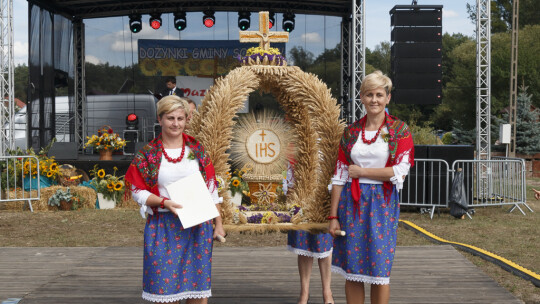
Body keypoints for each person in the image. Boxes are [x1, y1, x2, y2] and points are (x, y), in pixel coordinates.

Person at [125, 95, 225, 303]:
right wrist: (164, 203)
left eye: (180, 118)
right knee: (164, 292)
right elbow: (137, 191)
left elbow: (211, 189)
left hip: (197, 226)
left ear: (187, 120)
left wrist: (219, 224)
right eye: (170, 118)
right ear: (160, 119)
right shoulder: (149, 154)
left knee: (196, 292)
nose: (176, 124)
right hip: (163, 227)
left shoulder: (196, 150)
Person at [328, 71, 414, 304]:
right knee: (353, 267)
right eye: (369, 95)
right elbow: (339, 175)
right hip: (351, 203)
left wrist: (363, 171)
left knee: (380, 268)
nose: (374, 100)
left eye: (379, 94)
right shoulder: (351, 132)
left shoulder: (397, 131)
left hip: (382, 203)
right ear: (362, 98)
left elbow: (400, 170)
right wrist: (333, 215)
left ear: (387, 98)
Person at [284, 162, 334, 304]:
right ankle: (304, 292)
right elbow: (292, 163)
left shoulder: (328, 139)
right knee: (303, 244)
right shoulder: (298, 142)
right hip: (302, 192)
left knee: (324, 244)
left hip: (323, 191)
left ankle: (327, 291)